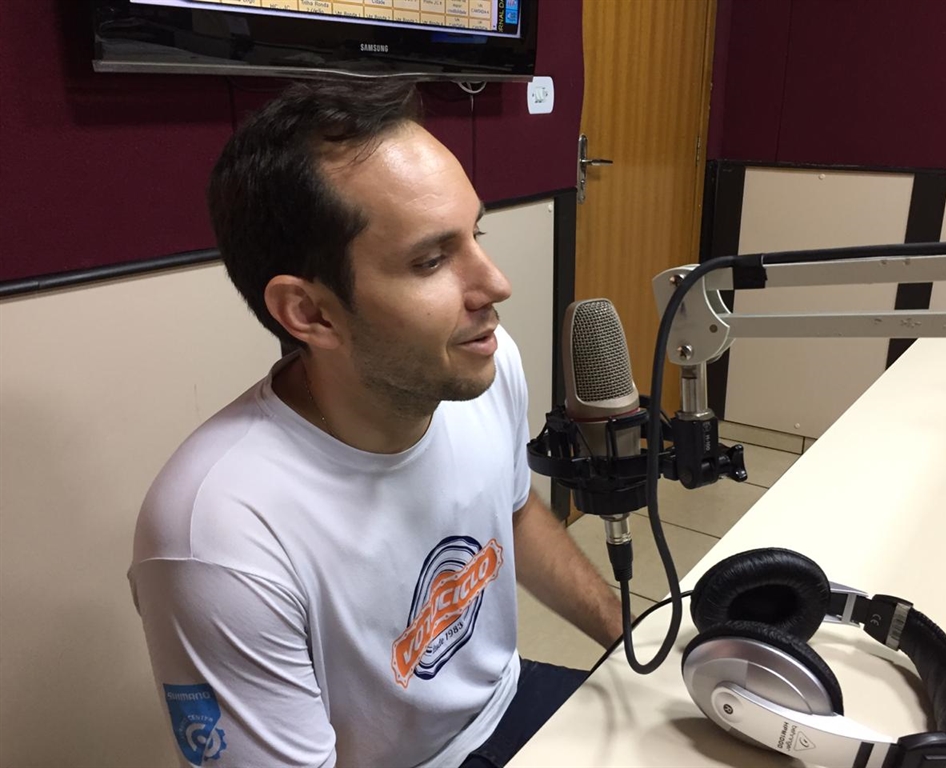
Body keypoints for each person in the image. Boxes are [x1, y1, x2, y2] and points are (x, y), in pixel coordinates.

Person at [129, 80, 625, 768]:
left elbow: (512, 514)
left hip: (507, 699)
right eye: (431, 260)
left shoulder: (479, 365)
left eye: (476, 234)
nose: (496, 285)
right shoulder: (216, 537)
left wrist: (632, 638)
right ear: (310, 312)